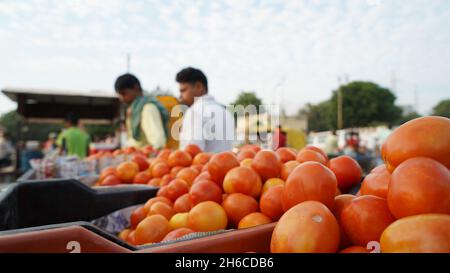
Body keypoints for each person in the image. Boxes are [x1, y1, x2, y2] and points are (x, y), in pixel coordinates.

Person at [176, 67, 235, 153]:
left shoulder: (195, 111)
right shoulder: (225, 111)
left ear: (199, 86)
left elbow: (192, 152)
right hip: (229, 165)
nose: (180, 96)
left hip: (204, 166)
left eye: (183, 90)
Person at [114, 73, 168, 149]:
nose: (121, 98)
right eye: (119, 95)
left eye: (124, 93)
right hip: (135, 155)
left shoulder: (148, 108)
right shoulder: (134, 110)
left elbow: (158, 140)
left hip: (145, 158)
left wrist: (153, 157)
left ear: (136, 88)